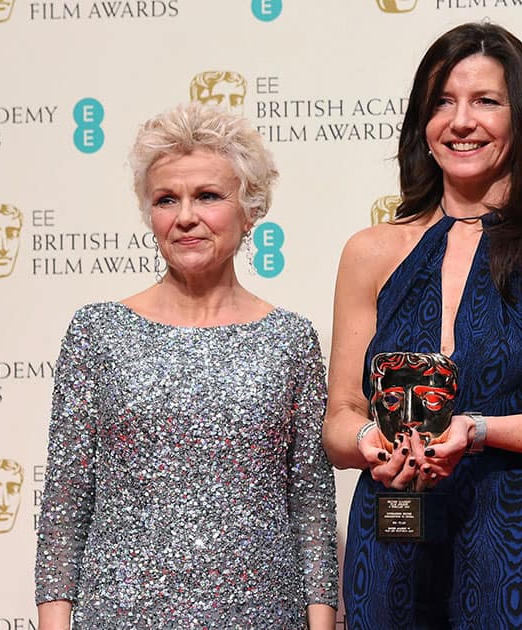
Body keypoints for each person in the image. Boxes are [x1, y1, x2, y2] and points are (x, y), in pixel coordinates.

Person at [322, 22, 522, 629]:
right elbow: (339, 418)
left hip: (521, 536)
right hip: (391, 543)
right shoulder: (369, 251)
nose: (460, 121)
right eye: (442, 101)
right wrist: (372, 445)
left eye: (486, 101)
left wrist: (480, 429)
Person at [34, 102, 338, 629]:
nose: (185, 217)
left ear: (250, 208)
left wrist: (322, 622)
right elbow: (65, 500)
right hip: (120, 614)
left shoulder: (291, 338)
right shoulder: (97, 332)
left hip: (262, 613)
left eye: (208, 196)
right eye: (166, 199)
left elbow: (310, 501)